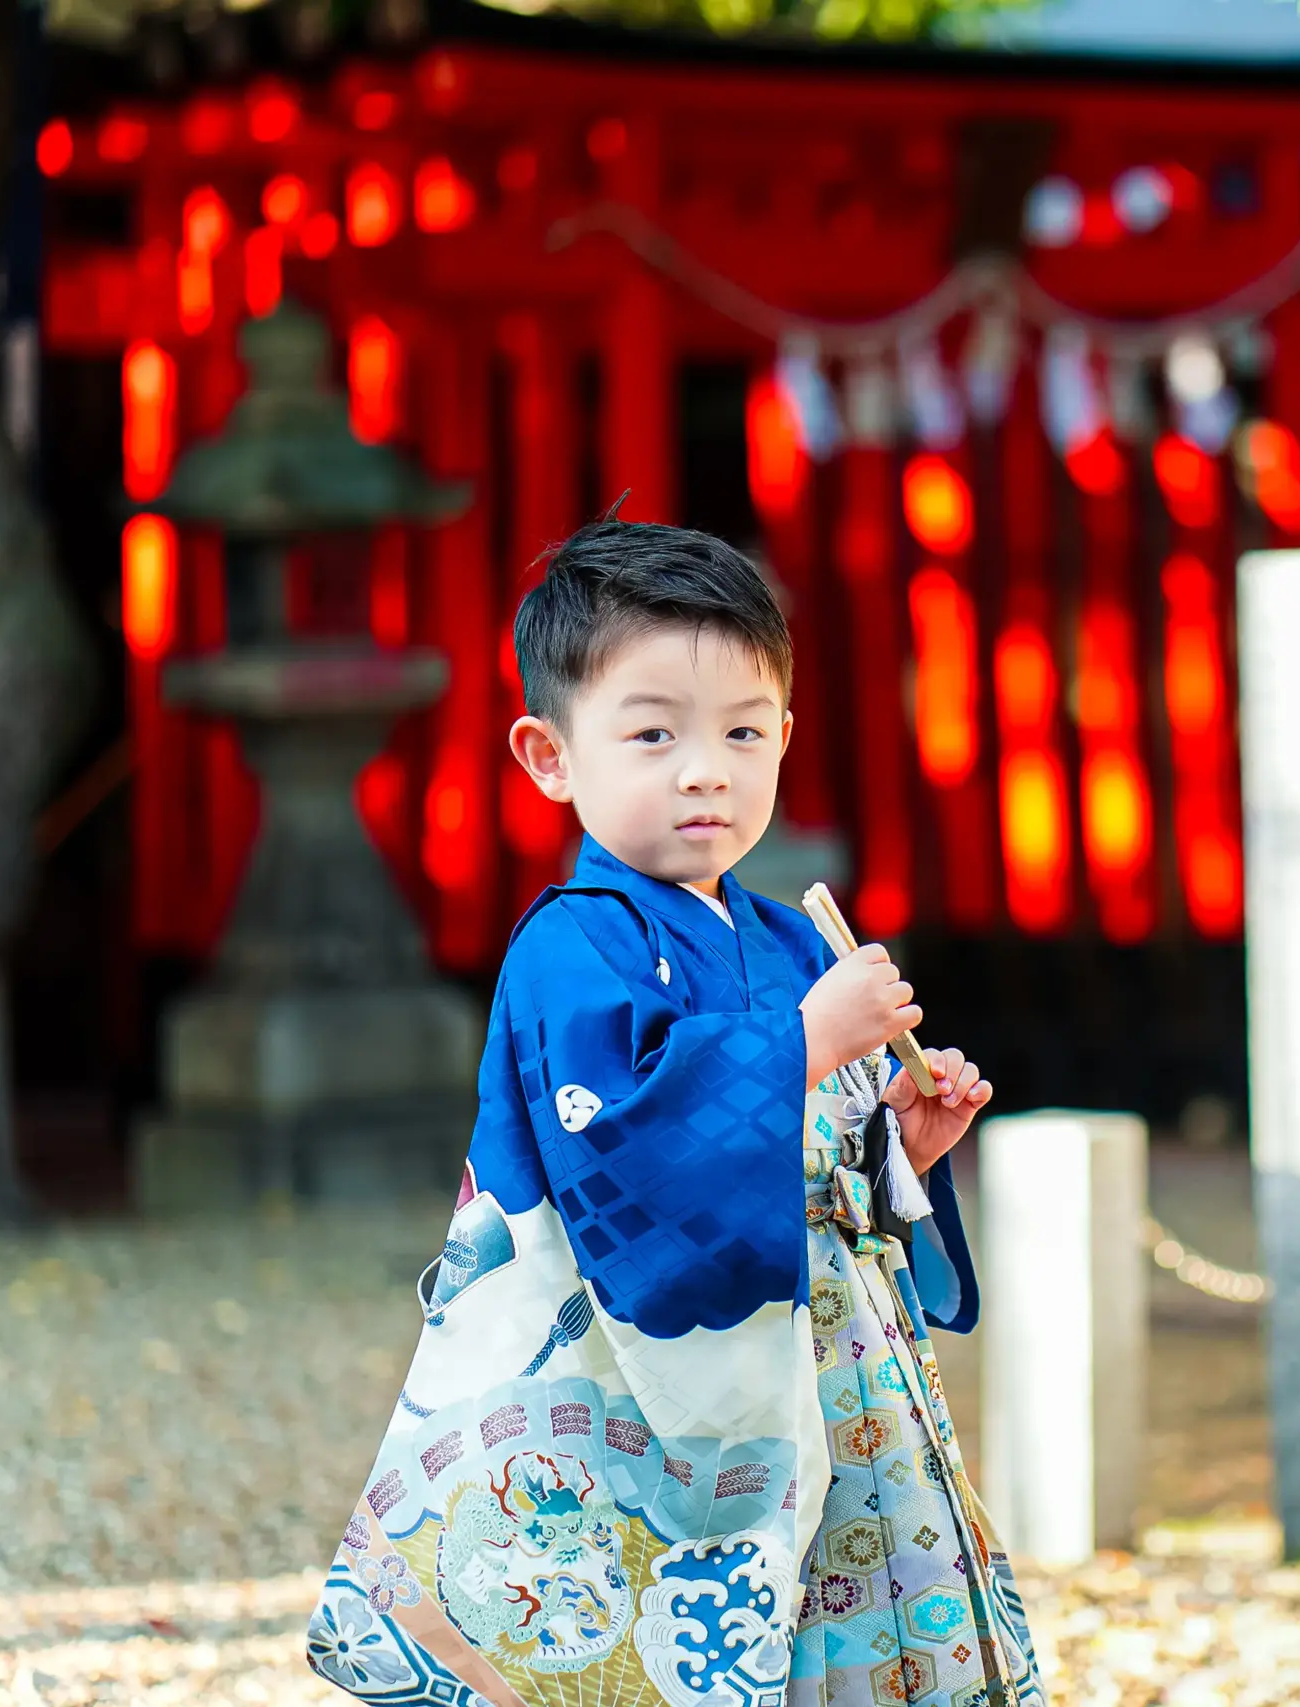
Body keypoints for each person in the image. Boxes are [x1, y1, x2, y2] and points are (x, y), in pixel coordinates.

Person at [307, 515, 1043, 1707]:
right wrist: (804, 1042)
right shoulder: (569, 948)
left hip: (827, 1358)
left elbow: (824, 1161)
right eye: (652, 733)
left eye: (744, 733)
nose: (706, 768)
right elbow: (621, 1142)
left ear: (785, 741)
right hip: (649, 1382)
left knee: (849, 1620)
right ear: (551, 756)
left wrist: (898, 1150)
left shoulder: (795, 938)